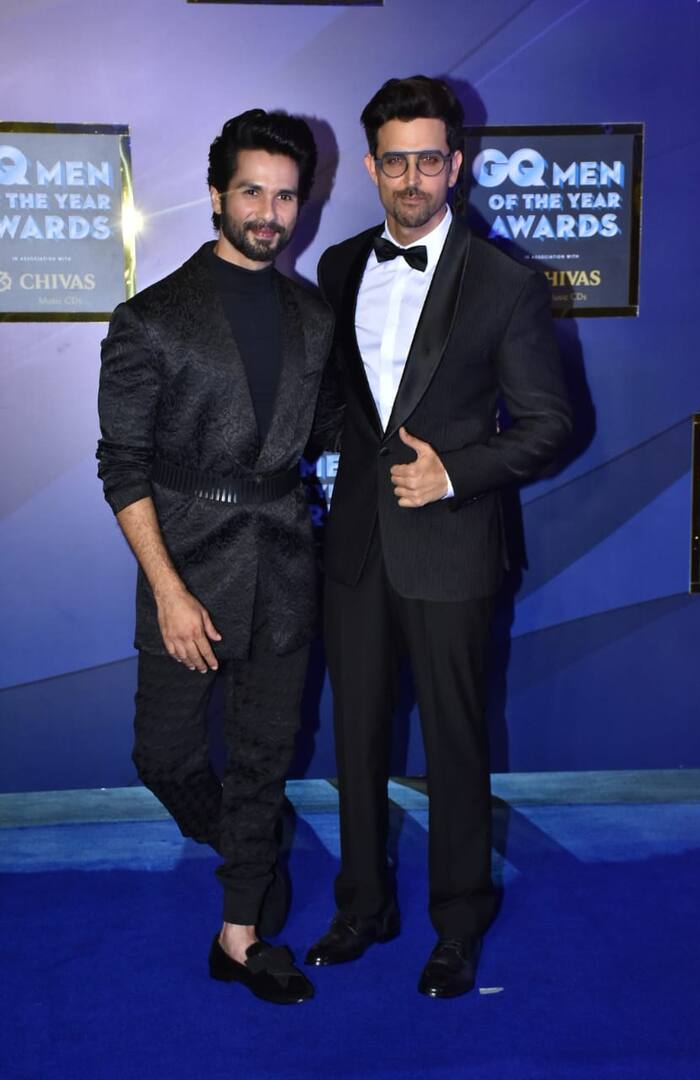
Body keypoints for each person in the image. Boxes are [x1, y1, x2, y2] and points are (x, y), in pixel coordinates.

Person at [305, 76, 572, 997]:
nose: (412, 177)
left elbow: (549, 422)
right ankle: (363, 904)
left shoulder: (505, 285)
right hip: (355, 549)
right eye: (395, 160)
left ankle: (458, 923)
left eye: (430, 159)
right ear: (372, 167)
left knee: (455, 742)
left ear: (455, 165)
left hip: (453, 541)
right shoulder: (339, 268)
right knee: (356, 738)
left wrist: (455, 471)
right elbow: (345, 402)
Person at [97, 109, 334, 1005]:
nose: (270, 212)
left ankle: (240, 933)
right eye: (252, 191)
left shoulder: (314, 317)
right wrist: (167, 589)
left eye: (285, 195)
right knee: (162, 755)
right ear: (215, 196)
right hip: (186, 567)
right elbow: (121, 464)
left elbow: (346, 427)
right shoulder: (151, 318)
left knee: (265, 754)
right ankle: (246, 846)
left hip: (283, 561)